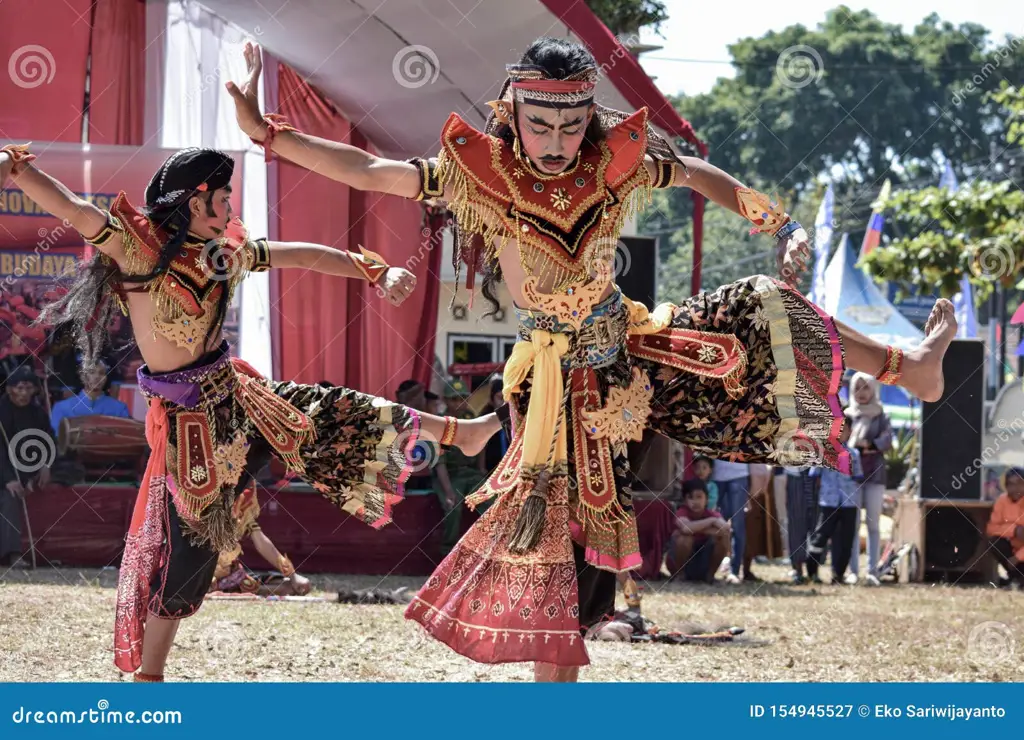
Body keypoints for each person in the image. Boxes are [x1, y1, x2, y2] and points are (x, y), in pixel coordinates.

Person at [227, 37, 954, 681]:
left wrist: (780, 219)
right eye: (539, 123)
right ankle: (556, 690)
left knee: (764, 306)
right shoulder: (481, 174)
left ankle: (903, 364)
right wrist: (271, 136)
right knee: (569, 546)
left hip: (630, 347)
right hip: (554, 388)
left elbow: (698, 172)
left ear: (589, 121)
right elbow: (369, 169)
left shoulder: (616, 164)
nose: (554, 139)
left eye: (571, 125)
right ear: (513, 116)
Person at [0, 144, 499, 681]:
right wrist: (17, 169)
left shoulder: (223, 253)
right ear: (197, 201)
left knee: (333, 412)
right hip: (189, 426)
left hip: (238, 396)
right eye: (224, 196)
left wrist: (371, 273)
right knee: (191, 553)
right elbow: (75, 208)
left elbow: (302, 255)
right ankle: (149, 678)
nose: (231, 204)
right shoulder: (137, 248)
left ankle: (460, 431)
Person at [209, 487, 311, 597]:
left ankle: (240, 589)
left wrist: (292, 575)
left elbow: (261, 542)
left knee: (295, 586)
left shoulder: (242, 507)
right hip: (202, 575)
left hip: (234, 575)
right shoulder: (200, 501)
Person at [0, 366, 54, 567]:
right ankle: (13, 554)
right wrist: (9, 479)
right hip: (4, 470)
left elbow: (47, 439)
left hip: (24, 466)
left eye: (28, 388)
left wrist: (45, 465)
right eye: (19, 388)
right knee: (10, 497)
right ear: (9, 389)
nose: (24, 394)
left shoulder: (36, 412)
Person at [844, 372, 892, 586]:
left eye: (865, 388)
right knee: (851, 525)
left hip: (875, 475)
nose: (861, 393)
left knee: (873, 524)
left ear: (873, 390)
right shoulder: (847, 414)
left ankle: (873, 571)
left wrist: (870, 445)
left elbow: (888, 439)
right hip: (852, 476)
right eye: (857, 388)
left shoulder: (881, 414)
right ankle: (853, 570)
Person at [433, 379, 488, 555]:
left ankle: (488, 551)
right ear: (445, 400)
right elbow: (439, 462)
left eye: (463, 398)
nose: (460, 403)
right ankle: (447, 552)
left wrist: (481, 470)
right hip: (449, 475)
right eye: (454, 399)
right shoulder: (440, 424)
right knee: (453, 507)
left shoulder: (470, 419)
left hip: (470, 473)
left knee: (490, 502)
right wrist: (449, 491)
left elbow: (482, 446)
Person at [805, 422, 863, 584]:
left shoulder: (854, 454)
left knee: (846, 538)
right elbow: (814, 475)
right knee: (821, 535)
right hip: (828, 501)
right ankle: (812, 572)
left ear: (850, 432)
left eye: (844, 430)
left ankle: (838, 574)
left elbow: (859, 477)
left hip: (849, 502)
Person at [665, 480, 730, 583]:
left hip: (704, 561)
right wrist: (711, 522)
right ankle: (679, 575)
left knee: (724, 537)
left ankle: (710, 576)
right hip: (683, 562)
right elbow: (686, 528)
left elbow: (725, 529)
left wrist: (697, 528)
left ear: (706, 499)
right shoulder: (682, 512)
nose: (695, 501)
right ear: (685, 501)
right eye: (690, 497)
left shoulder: (712, 513)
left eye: (699, 497)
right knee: (684, 538)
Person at [49, 362, 131, 435]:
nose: (97, 377)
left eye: (101, 373)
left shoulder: (119, 408)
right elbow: (58, 441)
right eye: (92, 372)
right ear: (82, 377)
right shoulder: (61, 408)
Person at [986, 467, 1024, 589]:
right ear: (1006, 486)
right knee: (994, 542)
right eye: (1011, 484)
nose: (1016, 488)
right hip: (1013, 548)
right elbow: (991, 529)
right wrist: (1014, 530)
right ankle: (1016, 578)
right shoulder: (1001, 501)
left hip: (1020, 554)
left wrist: (1018, 557)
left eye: (1020, 484)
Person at [712, 460, 750, 584]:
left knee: (738, 526)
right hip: (716, 475)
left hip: (739, 474)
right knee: (716, 525)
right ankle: (710, 570)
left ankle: (734, 571)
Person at [784, 466, 819, 584]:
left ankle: (813, 571)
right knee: (796, 527)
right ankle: (797, 571)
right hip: (795, 475)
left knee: (817, 527)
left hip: (817, 476)